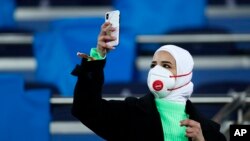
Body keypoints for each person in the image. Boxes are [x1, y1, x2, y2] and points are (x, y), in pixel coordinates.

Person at [71, 22, 226, 141]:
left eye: (166, 66)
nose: (157, 71)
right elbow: (85, 109)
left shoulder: (208, 130)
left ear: (184, 74)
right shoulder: (130, 114)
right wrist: (98, 56)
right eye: (153, 65)